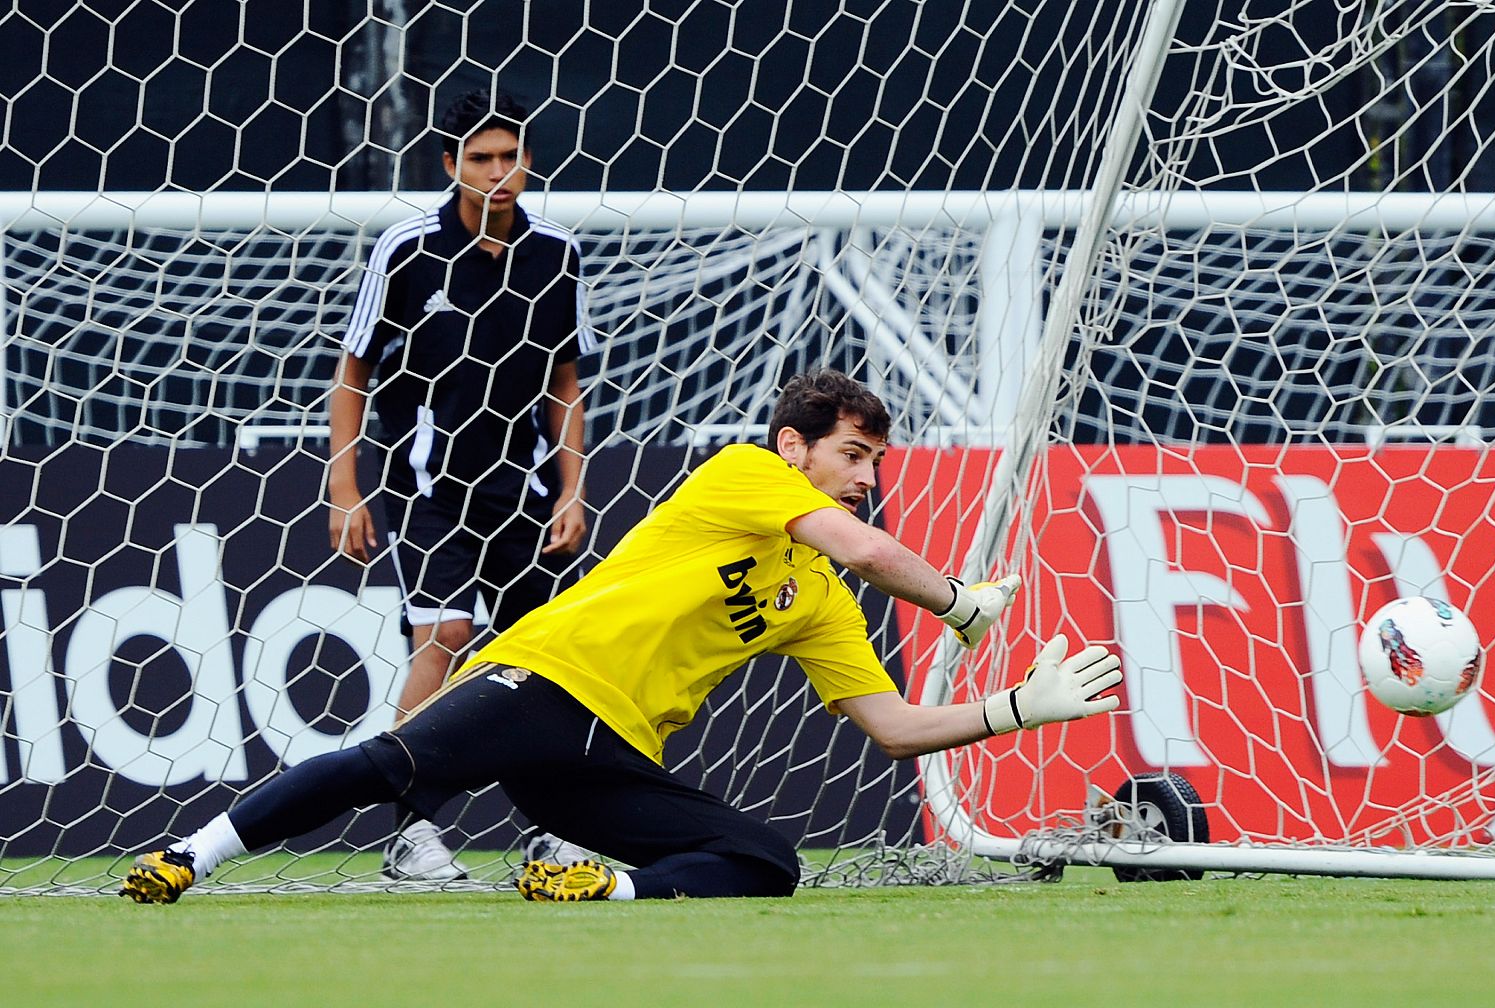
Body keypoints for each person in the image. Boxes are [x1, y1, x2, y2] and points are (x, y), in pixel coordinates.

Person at [121, 369, 1123, 904]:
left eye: (873, 463)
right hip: (546, 679)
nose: (867, 477)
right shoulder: (747, 475)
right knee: (386, 763)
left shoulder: (819, 598)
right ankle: (188, 855)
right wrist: (955, 601)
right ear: (794, 447)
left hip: (609, 752)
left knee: (766, 860)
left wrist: (1015, 710)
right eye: (852, 456)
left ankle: (603, 888)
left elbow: (894, 728)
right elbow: (866, 549)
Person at [326, 88, 593, 880]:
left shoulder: (558, 252)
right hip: (426, 482)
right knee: (444, 635)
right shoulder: (408, 247)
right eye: (480, 159)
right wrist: (346, 486)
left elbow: (565, 382)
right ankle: (409, 831)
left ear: (529, 161)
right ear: (449, 166)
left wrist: (573, 490)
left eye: (510, 157)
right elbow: (353, 371)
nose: (498, 172)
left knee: (536, 658)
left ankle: (552, 826)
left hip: (528, 489)